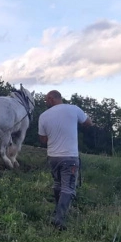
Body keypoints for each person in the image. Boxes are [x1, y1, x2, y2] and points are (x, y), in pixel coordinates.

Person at [38, 90, 93, 230]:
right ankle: (59, 219)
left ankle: (58, 211)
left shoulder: (43, 116)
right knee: (68, 188)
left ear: (51, 99)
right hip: (69, 157)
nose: (45, 103)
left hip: (53, 157)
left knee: (58, 184)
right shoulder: (73, 109)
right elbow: (88, 123)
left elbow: (43, 140)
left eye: (46, 100)